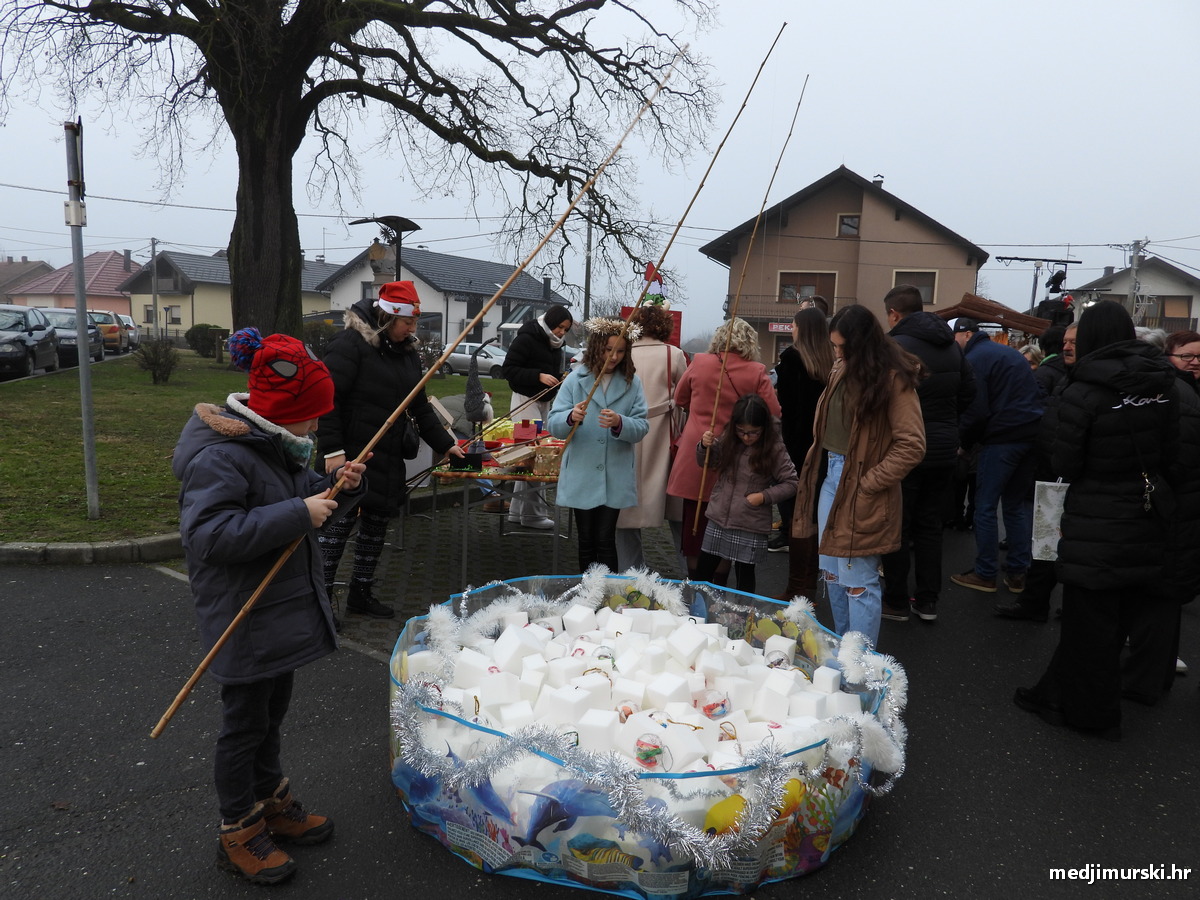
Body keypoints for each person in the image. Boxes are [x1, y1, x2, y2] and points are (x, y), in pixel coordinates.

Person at [173, 328, 368, 884]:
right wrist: (298, 514)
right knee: (244, 726)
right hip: (244, 618)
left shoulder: (272, 447)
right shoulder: (220, 459)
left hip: (276, 617)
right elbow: (209, 536)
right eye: (311, 417)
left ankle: (271, 801)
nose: (316, 427)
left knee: (270, 716)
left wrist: (336, 485)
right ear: (283, 412)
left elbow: (298, 490)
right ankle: (238, 828)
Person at [1015, 301, 1179, 740]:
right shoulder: (1163, 382)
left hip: (1095, 517)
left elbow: (1062, 456)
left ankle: (1093, 715)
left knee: (1091, 622)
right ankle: (1056, 691)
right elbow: (1176, 450)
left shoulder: (1083, 388)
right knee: (1119, 616)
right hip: (1148, 512)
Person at [317, 281, 461, 620]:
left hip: (388, 454)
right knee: (337, 528)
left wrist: (446, 444)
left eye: (415, 322)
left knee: (376, 526)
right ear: (387, 316)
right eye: (407, 322)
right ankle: (319, 600)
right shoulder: (350, 343)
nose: (413, 329)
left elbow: (419, 406)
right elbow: (327, 399)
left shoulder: (406, 352)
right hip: (351, 454)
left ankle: (360, 593)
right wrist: (332, 451)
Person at [791, 305, 925, 646]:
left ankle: (861, 669)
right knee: (833, 575)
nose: (836, 353)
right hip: (832, 476)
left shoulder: (893, 378)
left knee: (859, 581)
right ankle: (841, 655)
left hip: (862, 484)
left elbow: (912, 444)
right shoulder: (842, 367)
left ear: (862, 345)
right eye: (835, 346)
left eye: (842, 347)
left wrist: (870, 483)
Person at [879, 285, 975, 623]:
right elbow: (969, 392)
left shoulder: (894, 347)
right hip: (943, 449)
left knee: (897, 527)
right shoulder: (952, 347)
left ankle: (896, 601)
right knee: (930, 527)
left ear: (894, 314)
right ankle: (928, 601)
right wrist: (950, 426)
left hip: (903, 449)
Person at [667, 317, 781, 580]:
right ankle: (718, 583)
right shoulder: (756, 371)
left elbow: (680, 398)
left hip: (697, 450)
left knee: (694, 521)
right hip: (736, 454)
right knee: (725, 524)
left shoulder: (699, 363)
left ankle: (695, 580)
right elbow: (773, 413)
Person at [949, 318, 1043, 595]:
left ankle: (986, 572)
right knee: (1014, 506)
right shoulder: (1010, 354)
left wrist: (964, 444)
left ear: (966, 335)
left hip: (1002, 438)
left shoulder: (976, 359)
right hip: (1031, 434)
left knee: (985, 506)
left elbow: (976, 412)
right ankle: (1017, 573)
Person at [548, 317, 649, 571]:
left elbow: (641, 427)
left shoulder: (632, 382)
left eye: (620, 351)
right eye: (608, 350)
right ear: (597, 348)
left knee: (605, 540)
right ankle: (587, 596)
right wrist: (571, 417)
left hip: (615, 474)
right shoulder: (575, 379)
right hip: (582, 472)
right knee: (586, 540)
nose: (614, 357)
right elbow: (553, 424)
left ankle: (607, 597)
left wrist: (619, 423)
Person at [994, 323, 1073, 622]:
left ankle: (1029, 590)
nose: (1068, 347)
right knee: (1044, 536)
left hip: (1056, 470)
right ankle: (1033, 596)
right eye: (1065, 341)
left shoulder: (1053, 377)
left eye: (1075, 341)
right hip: (1048, 465)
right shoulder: (1066, 376)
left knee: (1044, 531)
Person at [696, 393, 797, 593]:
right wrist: (704, 447)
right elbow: (707, 463)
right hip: (719, 515)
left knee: (744, 578)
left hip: (750, 520)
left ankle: (742, 618)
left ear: (764, 429)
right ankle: (695, 612)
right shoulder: (729, 437)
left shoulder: (774, 447)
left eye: (753, 433)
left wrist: (764, 496)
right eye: (741, 431)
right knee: (702, 572)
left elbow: (792, 482)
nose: (746, 437)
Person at [614, 304, 690, 572]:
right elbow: (685, 394)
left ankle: (630, 571)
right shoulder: (675, 354)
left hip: (624, 432)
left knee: (624, 509)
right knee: (677, 505)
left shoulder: (623, 353)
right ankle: (688, 571)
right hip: (664, 435)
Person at [773, 307, 834, 598]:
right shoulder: (831, 362)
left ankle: (798, 586)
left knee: (797, 516)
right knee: (816, 515)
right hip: (824, 446)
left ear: (802, 329)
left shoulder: (791, 359)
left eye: (794, 325)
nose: (792, 329)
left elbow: (786, 407)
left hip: (796, 446)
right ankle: (811, 580)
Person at [502, 304, 574, 529]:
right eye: (560, 327)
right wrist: (539, 376)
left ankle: (517, 511)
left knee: (529, 456)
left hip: (543, 401)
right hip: (525, 401)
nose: (562, 332)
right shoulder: (526, 339)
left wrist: (558, 379)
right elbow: (509, 369)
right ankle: (533, 515)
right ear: (551, 323)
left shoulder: (556, 345)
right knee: (536, 456)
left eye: (566, 329)